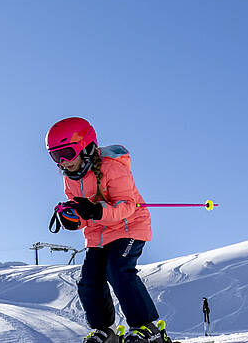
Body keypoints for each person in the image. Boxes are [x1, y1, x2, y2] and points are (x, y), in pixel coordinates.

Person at [48, 117, 172, 343]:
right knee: (89, 280)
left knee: (118, 270)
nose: (63, 162)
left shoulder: (113, 168)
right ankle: (105, 331)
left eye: (67, 153)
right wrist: (75, 219)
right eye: (56, 156)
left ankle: (147, 327)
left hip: (129, 227)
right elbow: (83, 214)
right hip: (99, 235)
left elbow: (126, 206)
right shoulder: (70, 179)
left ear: (86, 146)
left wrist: (95, 211)